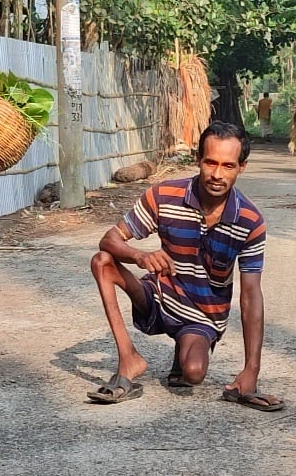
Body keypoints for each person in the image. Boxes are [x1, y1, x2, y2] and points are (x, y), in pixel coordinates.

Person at [87, 121, 284, 411]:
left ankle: (184, 352)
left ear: (242, 167)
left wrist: (250, 371)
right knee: (102, 261)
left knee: (193, 373)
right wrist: (139, 256)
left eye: (228, 166)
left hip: (203, 317)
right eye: (210, 162)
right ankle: (128, 359)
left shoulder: (250, 222)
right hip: (158, 296)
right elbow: (110, 239)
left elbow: (251, 295)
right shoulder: (163, 196)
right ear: (198, 160)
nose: (217, 174)